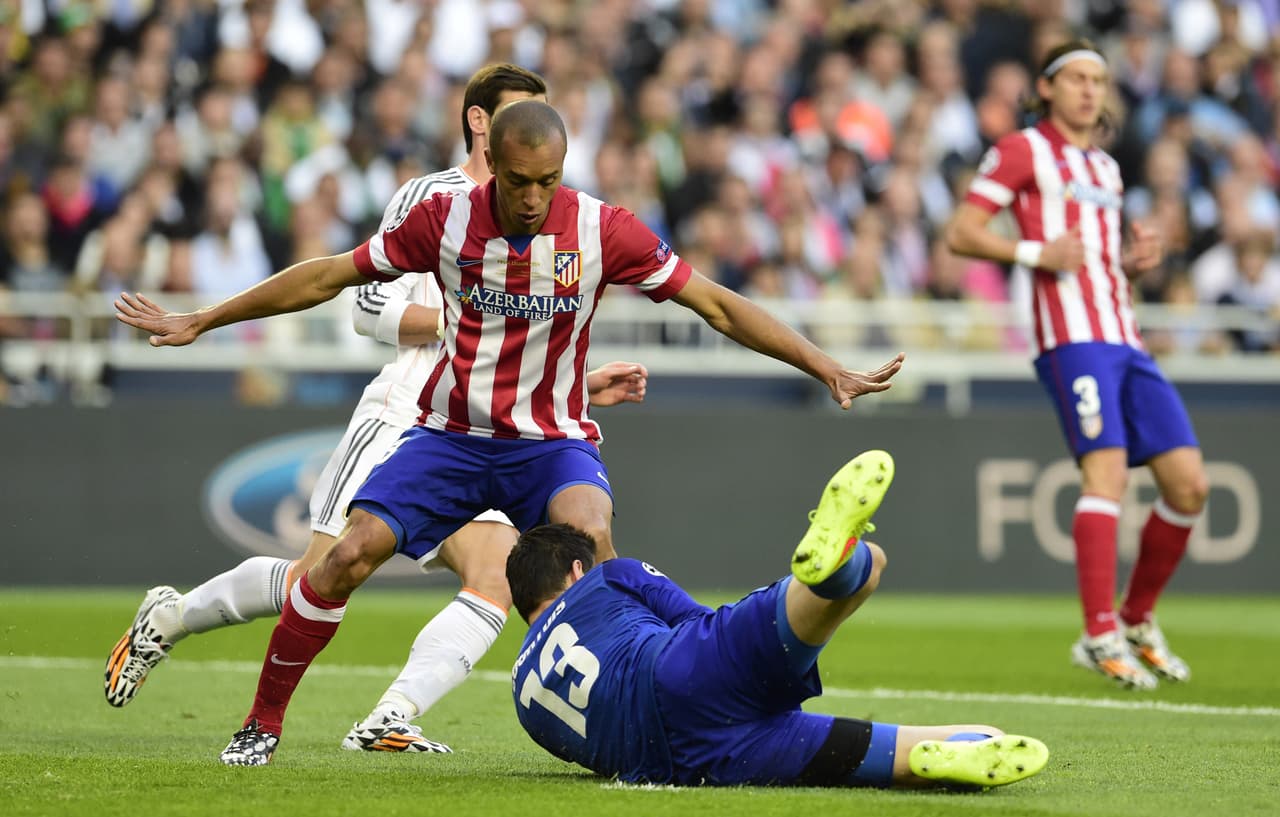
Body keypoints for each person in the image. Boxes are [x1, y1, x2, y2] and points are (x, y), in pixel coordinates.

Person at [114, 99, 905, 765]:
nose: (533, 198)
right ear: (491, 160)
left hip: (550, 442)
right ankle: (262, 722)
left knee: (591, 539)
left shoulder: (602, 229)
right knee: (345, 556)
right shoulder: (444, 219)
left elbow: (718, 303)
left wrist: (821, 364)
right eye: (520, 182)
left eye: (549, 182)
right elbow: (329, 274)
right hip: (448, 437)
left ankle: (631, 719)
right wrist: (206, 318)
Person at [104, 65, 649, 755]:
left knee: (494, 575)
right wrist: (468, 320)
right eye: (520, 118)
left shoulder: (557, 219)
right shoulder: (434, 198)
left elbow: (533, 333)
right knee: (319, 575)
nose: (533, 141)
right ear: (482, 123)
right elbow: (365, 304)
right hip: (406, 408)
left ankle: (388, 715)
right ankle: (173, 616)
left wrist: (567, 376)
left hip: (494, 421)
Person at [507, 450, 1050, 788]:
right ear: (576, 570)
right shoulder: (609, 575)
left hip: (693, 760)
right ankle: (834, 566)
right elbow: (695, 618)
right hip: (678, 671)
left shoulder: (521, 696)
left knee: (900, 755)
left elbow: (593, 750)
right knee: (866, 569)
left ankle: (943, 749)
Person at [945, 40, 1207, 689]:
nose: (1091, 91)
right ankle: (1097, 631)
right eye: (1077, 79)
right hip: (1072, 340)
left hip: (1126, 336)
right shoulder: (1021, 149)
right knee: (1108, 472)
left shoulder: (1106, 168)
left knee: (1189, 484)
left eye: (1100, 80)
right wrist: (1035, 254)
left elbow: (1091, 255)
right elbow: (962, 231)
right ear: (1047, 87)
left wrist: (1130, 262)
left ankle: (1137, 617)